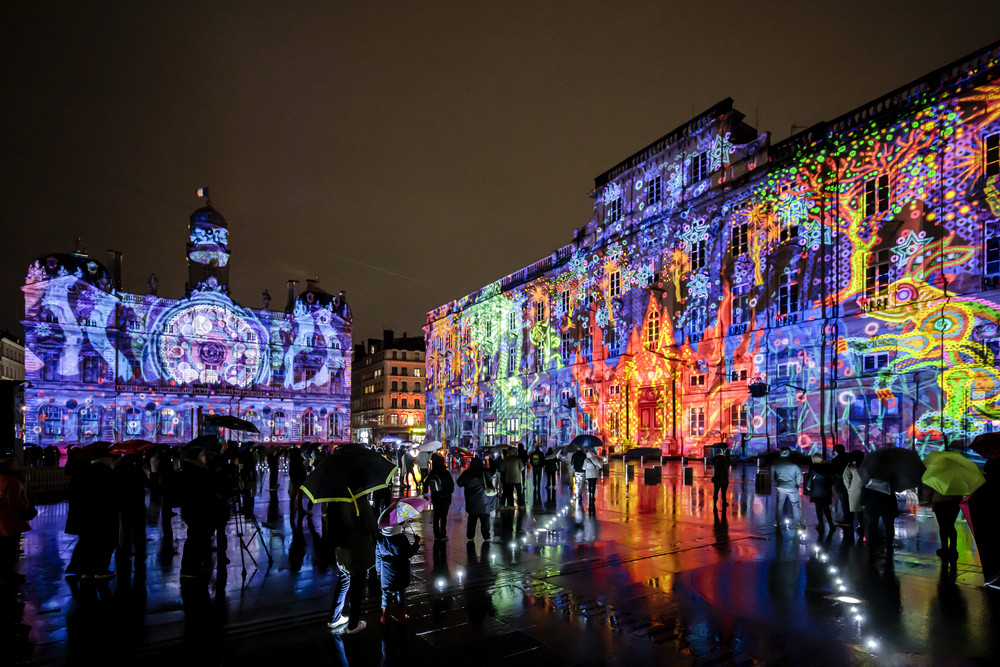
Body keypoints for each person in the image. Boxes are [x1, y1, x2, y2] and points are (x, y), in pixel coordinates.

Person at [328, 494, 378, 634]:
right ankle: (353, 624)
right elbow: (371, 525)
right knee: (357, 586)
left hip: (341, 549)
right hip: (357, 549)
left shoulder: (335, 498)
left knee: (344, 580)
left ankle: (334, 618)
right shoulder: (359, 499)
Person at [177, 447, 216, 576]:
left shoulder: (186, 469)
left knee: (195, 536)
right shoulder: (197, 471)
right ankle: (191, 566)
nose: (204, 457)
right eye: (202, 455)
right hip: (198, 509)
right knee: (196, 537)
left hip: (191, 509)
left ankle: (192, 565)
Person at [0, 457, 36, 588]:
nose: (18, 465)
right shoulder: (12, 481)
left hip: (2, 520)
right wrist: (29, 510)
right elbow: (16, 502)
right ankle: (10, 576)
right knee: (10, 551)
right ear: (10, 467)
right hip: (11, 521)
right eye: (15, 464)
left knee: (4, 550)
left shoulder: (1, 479)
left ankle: (5, 575)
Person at [375, 524, 420, 623]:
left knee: (386, 593)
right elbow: (409, 553)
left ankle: (385, 616)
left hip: (386, 571)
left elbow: (378, 556)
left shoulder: (380, 538)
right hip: (401, 570)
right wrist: (416, 543)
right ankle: (401, 615)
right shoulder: (401, 538)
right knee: (401, 592)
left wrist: (378, 571)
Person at [113, 453, 149, 578]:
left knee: (125, 530)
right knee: (139, 530)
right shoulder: (137, 470)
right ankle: (140, 552)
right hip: (138, 503)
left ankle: (125, 551)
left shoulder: (117, 470)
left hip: (123, 504)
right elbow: (147, 483)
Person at [456, 458, 496, 542]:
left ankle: (470, 536)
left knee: (472, 519)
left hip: (471, 501)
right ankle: (486, 536)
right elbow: (493, 471)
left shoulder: (466, 473)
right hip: (484, 501)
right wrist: (491, 460)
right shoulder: (485, 472)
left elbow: (459, 483)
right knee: (485, 519)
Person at [771, 448, 804, 529]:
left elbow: (772, 476)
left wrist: (778, 482)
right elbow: (799, 475)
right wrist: (797, 483)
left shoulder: (776, 463)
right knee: (795, 505)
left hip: (781, 487)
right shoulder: (794, 463)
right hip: (792, 487)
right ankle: (798, 523)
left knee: (779, 505)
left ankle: (777, 522)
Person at [425, 454, 454, 539]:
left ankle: (436, 534)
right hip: (446, 497)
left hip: (436, 497)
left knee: (436, 516)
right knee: (443, 517)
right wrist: (449, 492)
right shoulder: (446, 472)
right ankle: (443, 534)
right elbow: (451, 486)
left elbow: (426, 483)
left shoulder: (432, 472)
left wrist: (426, 493)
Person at [930, 488, 963, 561]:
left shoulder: (937, 476)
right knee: (950, 525)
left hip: (940, 500)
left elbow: (929, 487)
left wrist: (929, 499)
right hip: (955, 500)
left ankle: (944, 549)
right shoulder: (956, 476)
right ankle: (953, 549)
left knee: (943, 526)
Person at [805, 454, 836, 534]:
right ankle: (831, 523)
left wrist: (808, 487)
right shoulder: (828, 467)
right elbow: (833, 479)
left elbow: (809, 478)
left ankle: (821, 524)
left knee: (818, 507)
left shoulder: (813, 467)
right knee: (826, 507)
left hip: (816, 490)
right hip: (826, 490)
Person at [843, 450, 866, 540]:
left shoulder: (851, 466)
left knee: (858, 510)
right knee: (866, 509)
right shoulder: (866, 465)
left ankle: (861, 525)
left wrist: (849, 488)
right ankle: (865, 525)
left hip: (855, 491)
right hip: (867, 490)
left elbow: (846, 478)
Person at [829, 444, 851, 523]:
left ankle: (847, 518)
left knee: (843, 501)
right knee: (850, 500)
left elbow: (833, 473)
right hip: (851, 483)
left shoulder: (835, 460)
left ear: (836, 451)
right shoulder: (850, 458)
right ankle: (851, 517)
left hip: (840, 484)